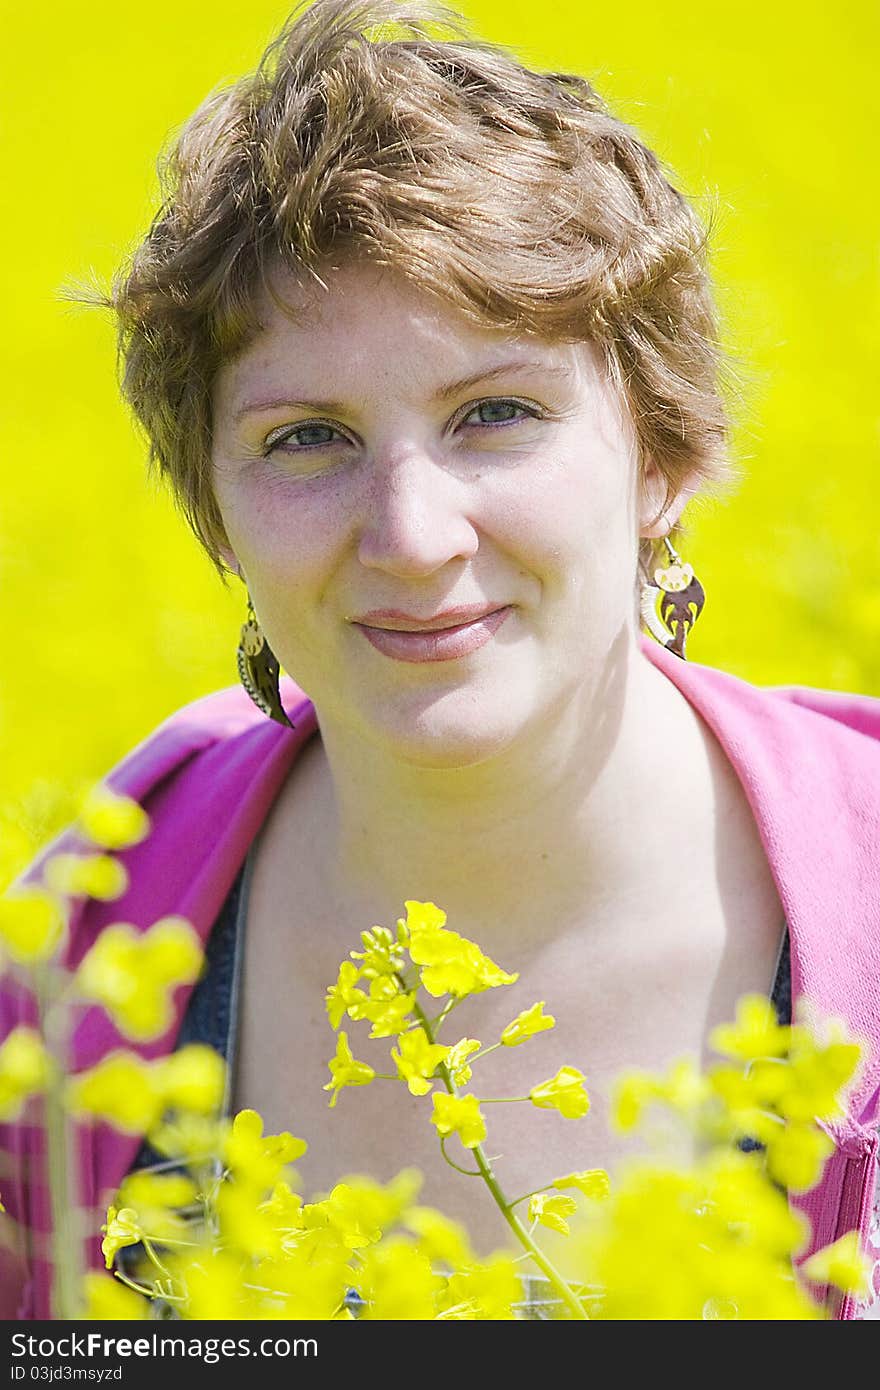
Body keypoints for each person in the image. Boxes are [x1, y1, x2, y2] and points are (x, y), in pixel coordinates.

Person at [1, 0, 878, 1320]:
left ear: (663, 457)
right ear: (212, 512)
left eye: (495, 413)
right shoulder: (88, 939)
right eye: (306, 437)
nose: (411, 536)